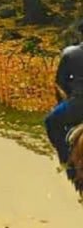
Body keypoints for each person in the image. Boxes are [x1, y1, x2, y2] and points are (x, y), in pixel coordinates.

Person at [45, 43, 83, 179]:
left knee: (50, 121)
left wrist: (64, 100)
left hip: (78, 104)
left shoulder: (70, 54)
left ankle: (66, 161)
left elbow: (59, 84)